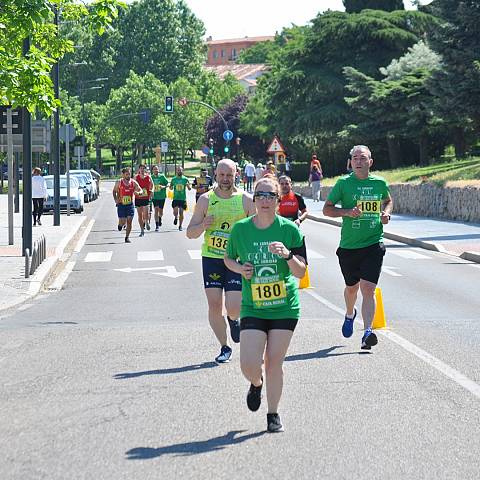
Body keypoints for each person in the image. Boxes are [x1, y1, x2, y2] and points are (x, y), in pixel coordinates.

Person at [224, 176, 307, 433]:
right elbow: (228, 259)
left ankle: (273, 414)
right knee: (249, 364)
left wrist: (288, 255)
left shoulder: (290, 230)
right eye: (260, 195)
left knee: (273, 362)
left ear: (278, 200)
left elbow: (301, 272)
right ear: (254, 198)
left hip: (285, 307)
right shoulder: (240, 230)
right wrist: (240, 268)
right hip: (254, 306)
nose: (265, 200)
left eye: (271, 195)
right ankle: (256, 383)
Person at [323, 145, 393, 350]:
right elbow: (327, 209)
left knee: (368, 289)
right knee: (352, 289)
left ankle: (368, 332)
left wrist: (386, 213)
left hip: (374, 242)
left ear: (370, 162)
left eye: (363, 158)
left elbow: (388, 200)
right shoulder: (343, 184)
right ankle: (349, 313)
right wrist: (346, 212)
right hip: (349, 247)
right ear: (350, 163)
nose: (359, 162)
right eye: (355, 158)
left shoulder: (379, 183)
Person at [187, 159, 255, 364]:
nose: (225, 179)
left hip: (235, 260)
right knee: (214, 304)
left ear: (237, 175)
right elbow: (190, 233)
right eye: (222, 175)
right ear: (215, 175)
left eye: (229, 175)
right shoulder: (205, 200)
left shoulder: (246, 200)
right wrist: (203, 225)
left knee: (233, 307)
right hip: (212, 258)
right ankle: (224, 346)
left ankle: (234, 319)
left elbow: (257, 229)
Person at [113, 167, 143, 243]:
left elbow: (141, 190)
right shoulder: (119, 182)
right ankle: (120, 224)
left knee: (129, 221)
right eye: (126, 174)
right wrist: (116, 199)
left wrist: (139, 193)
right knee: (123, 221)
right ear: (123, 175)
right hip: (121, 204)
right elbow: (114, 191)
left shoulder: (133, 182)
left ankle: (127, 237)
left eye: (129, 174)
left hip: (130, 205)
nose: (128, 175)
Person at [170, 166, 191, 231]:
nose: (179, 171)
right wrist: (170, 187)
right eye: (178, 170)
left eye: (181, 170)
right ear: (176, 171)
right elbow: (171, 188)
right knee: (175, 212)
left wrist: (187, 186)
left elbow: (189, 189)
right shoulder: (173, 179)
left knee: (181, 213)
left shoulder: (185, 179)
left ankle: (180, 226)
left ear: (182, 171)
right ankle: (176, 217)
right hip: (176, 198)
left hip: (182, 198)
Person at [134, 164, 153, 237]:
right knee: (140, 215)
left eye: (143, 168)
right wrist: (135, 192)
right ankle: (142, 230)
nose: (142, 170)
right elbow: (133, 185)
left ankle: (147, 222)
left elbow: (152, 184)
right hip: (138, 198)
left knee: (146, 213)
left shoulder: (148, 177)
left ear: (145, 169)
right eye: (141, 168)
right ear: (139, 169)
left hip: (146, 197)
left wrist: (152, 191)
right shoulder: (136, 177)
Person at [151, 165, 169, 231]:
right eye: (154, 169)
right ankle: (157, 225)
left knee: (160, 211)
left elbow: (168, 184)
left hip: (162, 196)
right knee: (156, 209)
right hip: (154, 196)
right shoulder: (151, 177)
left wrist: (163, 187)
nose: (156, 170)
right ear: (152, 170)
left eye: (157, 169)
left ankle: (160, 217)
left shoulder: (162, 176)